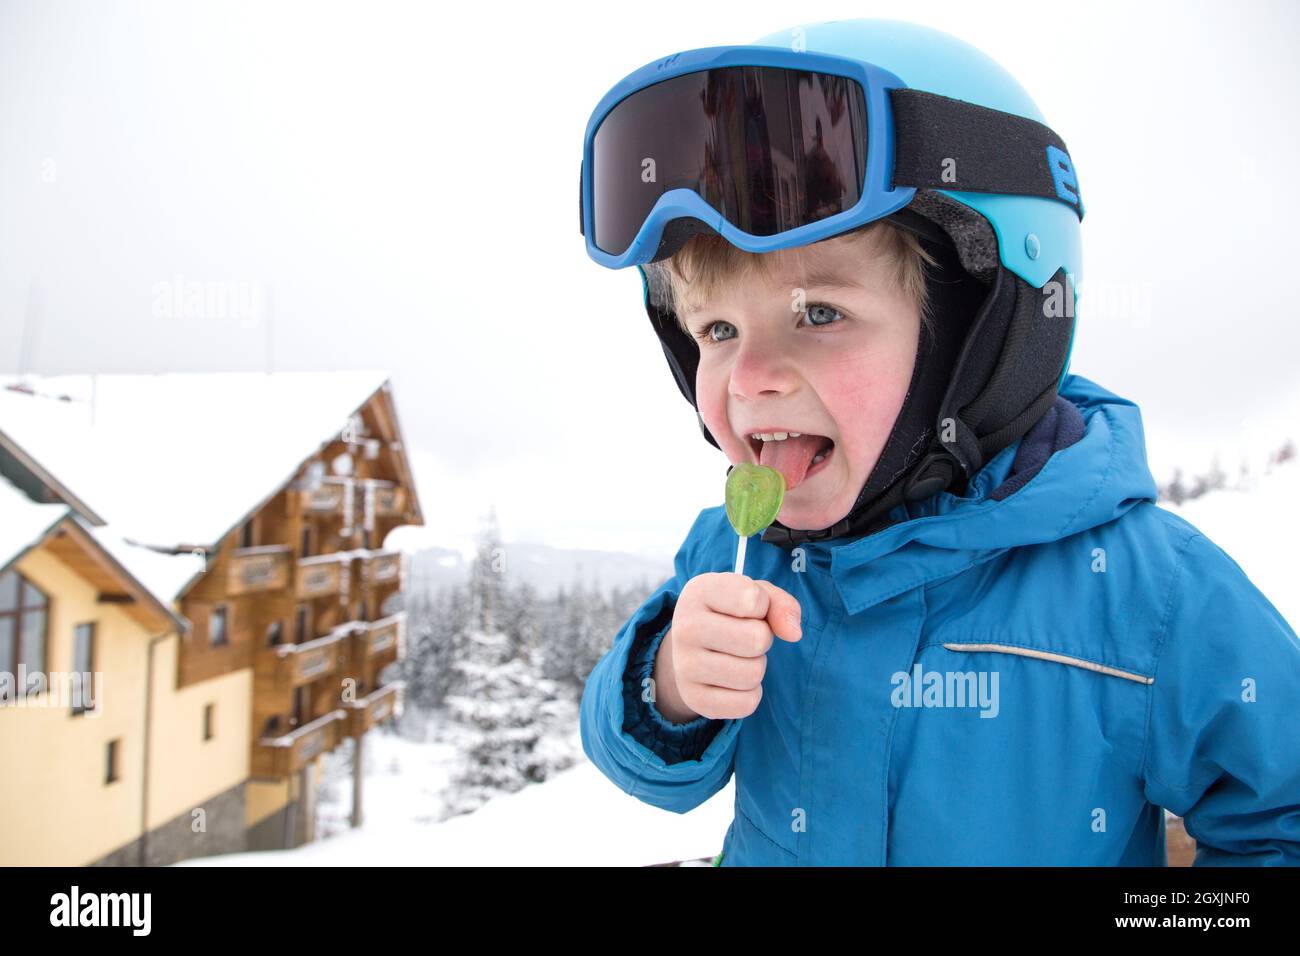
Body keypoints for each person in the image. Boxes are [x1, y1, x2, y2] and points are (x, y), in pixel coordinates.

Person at [576, 18, 1300, 865]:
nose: (748, 379)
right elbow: (652, 772)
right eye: (719, 328)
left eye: (819, 314)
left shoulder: (1148, 592)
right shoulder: (737, 551)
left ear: (984, 336)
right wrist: (671, 686)